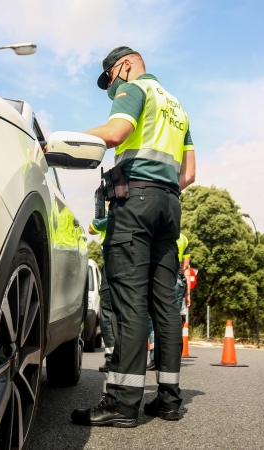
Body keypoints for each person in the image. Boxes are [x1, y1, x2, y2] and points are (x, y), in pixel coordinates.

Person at [71, 46, 196, 428]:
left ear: (124, 66)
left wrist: (66, 138)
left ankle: (122, 404)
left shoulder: (134, 89)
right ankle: (169, 400)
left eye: (110, 80)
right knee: (165, 306)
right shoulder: (177, 107)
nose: (112, 89)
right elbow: (188, 175)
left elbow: (114, 133)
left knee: (128, 301)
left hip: (135, 203)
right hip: (169, 207)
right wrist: (160, 191)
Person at [148, 232, 192, 366]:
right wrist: (188, 294)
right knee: (173, 319)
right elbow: (185, 268)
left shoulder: (154, 234)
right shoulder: (183, 238)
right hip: (177, 281)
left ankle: (155, 356)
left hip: (158, 278)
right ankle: (172, 357)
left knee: (153, 317)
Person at [88, 205, 114, 373]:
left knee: (108, 310)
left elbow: (92, 228)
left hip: (115, 258)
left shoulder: (113, 204)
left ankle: (112, 357)